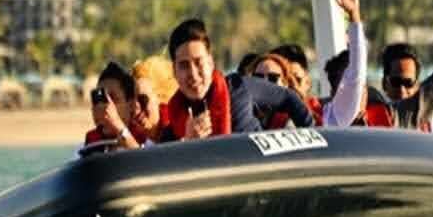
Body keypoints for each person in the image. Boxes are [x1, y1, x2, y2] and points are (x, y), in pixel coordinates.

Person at [161, 20, 315, 141]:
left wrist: (314, 142)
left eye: (198, 62)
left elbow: (287, 97)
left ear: (210, 62)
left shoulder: (238, 87)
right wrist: (188, 144)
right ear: (174, 71)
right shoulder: (172, 131)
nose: (193, 74)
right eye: (184, 66)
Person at [380, 43, 433, 134]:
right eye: (396, 82)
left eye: (408, 83)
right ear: (384, 83)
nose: (402, 90)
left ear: (417, 85)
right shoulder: (371, 125)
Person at [79, 61, 141, 156]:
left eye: (113, 98)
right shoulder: (89, 145)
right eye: (101, 99)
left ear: (131, 105)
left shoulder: (146, 139)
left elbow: (145, 161)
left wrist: (120, 128)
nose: (105, 107)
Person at [130, 55, 178, 145]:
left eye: (142, 100)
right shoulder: (136, 140)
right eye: (131, 103)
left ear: (161, 97)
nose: (136, 110)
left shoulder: (181, 135)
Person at [245, 52, 300, 129]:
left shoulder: (294, 118)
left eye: (273, 78)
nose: (264, 83)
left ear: (285, 84)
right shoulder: (241, 112)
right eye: (258, 77)